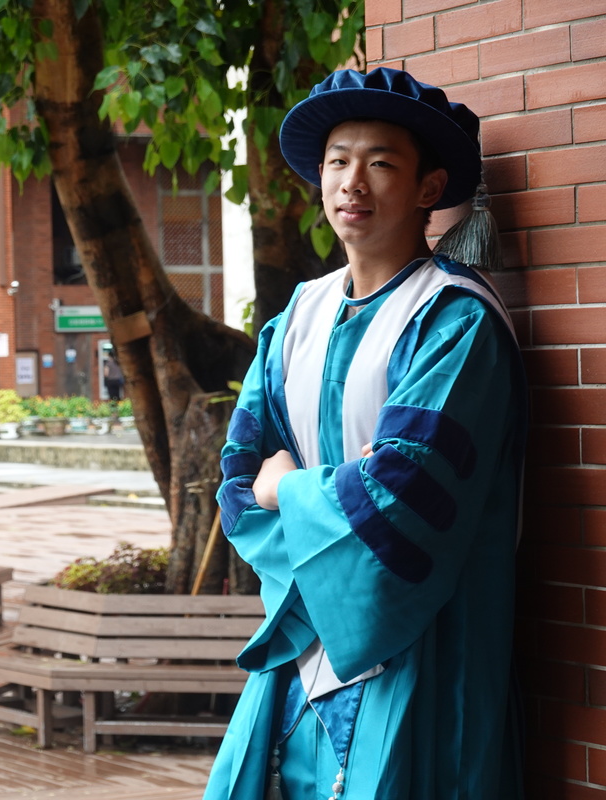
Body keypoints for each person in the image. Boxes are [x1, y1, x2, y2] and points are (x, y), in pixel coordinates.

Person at [203, 68, 526, 800]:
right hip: (306, 631)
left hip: (419, 634)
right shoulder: (296, 320)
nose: (353, 181)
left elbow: (406, 489)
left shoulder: (454, 322)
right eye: (337, 161)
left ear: (428, 187)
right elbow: (236, 474)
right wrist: (306, 555)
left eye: (380, 162)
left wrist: (289, 489)